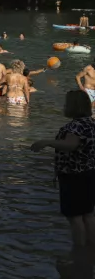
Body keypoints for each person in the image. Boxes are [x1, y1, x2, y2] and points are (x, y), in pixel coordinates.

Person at [30, 90, 95, 250]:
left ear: (73, 106)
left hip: (74, 175)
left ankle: (79, 251)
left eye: (66, 104)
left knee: (74, 216)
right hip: (89, 172)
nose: (64, 106)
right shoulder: (91, 123)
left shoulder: (75, 126)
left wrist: (47, 142)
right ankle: (90, 249)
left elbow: (70, 145)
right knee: (88, 214)